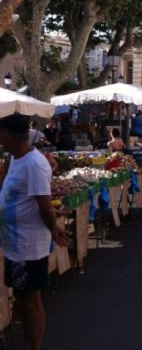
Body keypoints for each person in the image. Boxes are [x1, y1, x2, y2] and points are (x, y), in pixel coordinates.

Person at [0, 113, 71, 350]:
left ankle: (34, 347)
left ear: (8, 136)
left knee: (30, 300)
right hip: (14, 243)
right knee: (21, 295)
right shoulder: (13, 158)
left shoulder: (34, 164)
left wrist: (54, 229)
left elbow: (44, 203)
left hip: (28, 245)